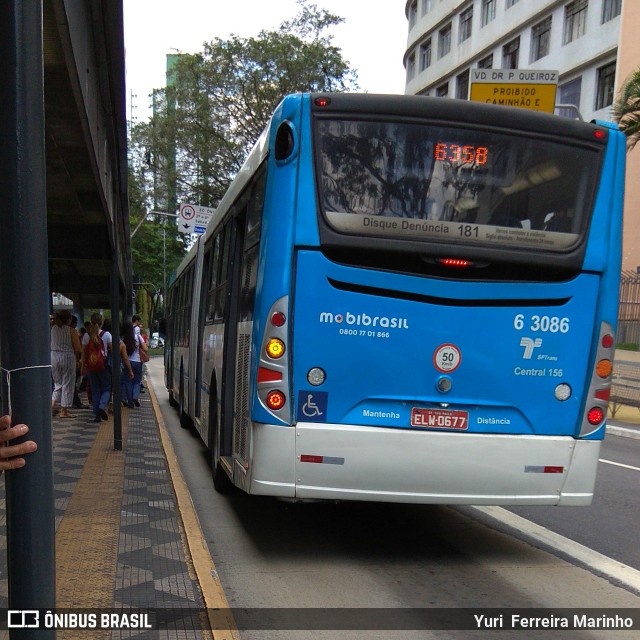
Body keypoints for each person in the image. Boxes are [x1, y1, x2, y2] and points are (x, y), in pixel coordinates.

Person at [51, 309, 82, 419]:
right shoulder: (71, 331)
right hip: (68, 357)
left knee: (57, 383)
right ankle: (64, 410)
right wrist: (79, 359)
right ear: (68, 319)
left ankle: (51, 406)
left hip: (54, 356)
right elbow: (78, 348)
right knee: (67, 383)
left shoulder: (53, 329)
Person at [81, 312, 112, 423]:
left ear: (91, 322)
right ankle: (101, 406)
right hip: (103, 366)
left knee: (95, 390)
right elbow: (112, 350)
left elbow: (83, 353)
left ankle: (96, 416)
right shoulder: (107, 334)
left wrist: (82, 366)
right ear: (101, 322)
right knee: (106, 388)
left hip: (91, 366)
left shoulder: (86, 335)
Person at [121, 319, 147, 407]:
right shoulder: (138, 336)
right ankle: (135, 396)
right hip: (137, 362)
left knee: (128, 381)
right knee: (137, 381)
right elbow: (146, 349)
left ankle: (130, 403)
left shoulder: (122, 338)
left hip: (126, 362)